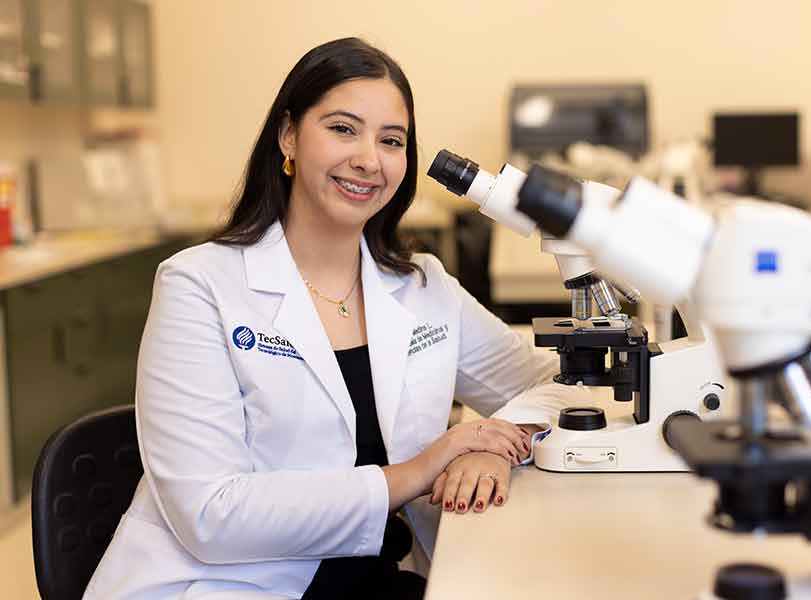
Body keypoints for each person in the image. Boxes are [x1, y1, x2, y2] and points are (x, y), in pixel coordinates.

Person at [84, 37, 559, 600]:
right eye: (342, 129)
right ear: (288, 136)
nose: (368, 158)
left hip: (382, 577)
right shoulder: (199, 285)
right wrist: (419, 471)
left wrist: (495, 443)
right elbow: (210, 515)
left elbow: (553, 384)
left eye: (391, 140)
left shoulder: (422, 286)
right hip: (226, 585)